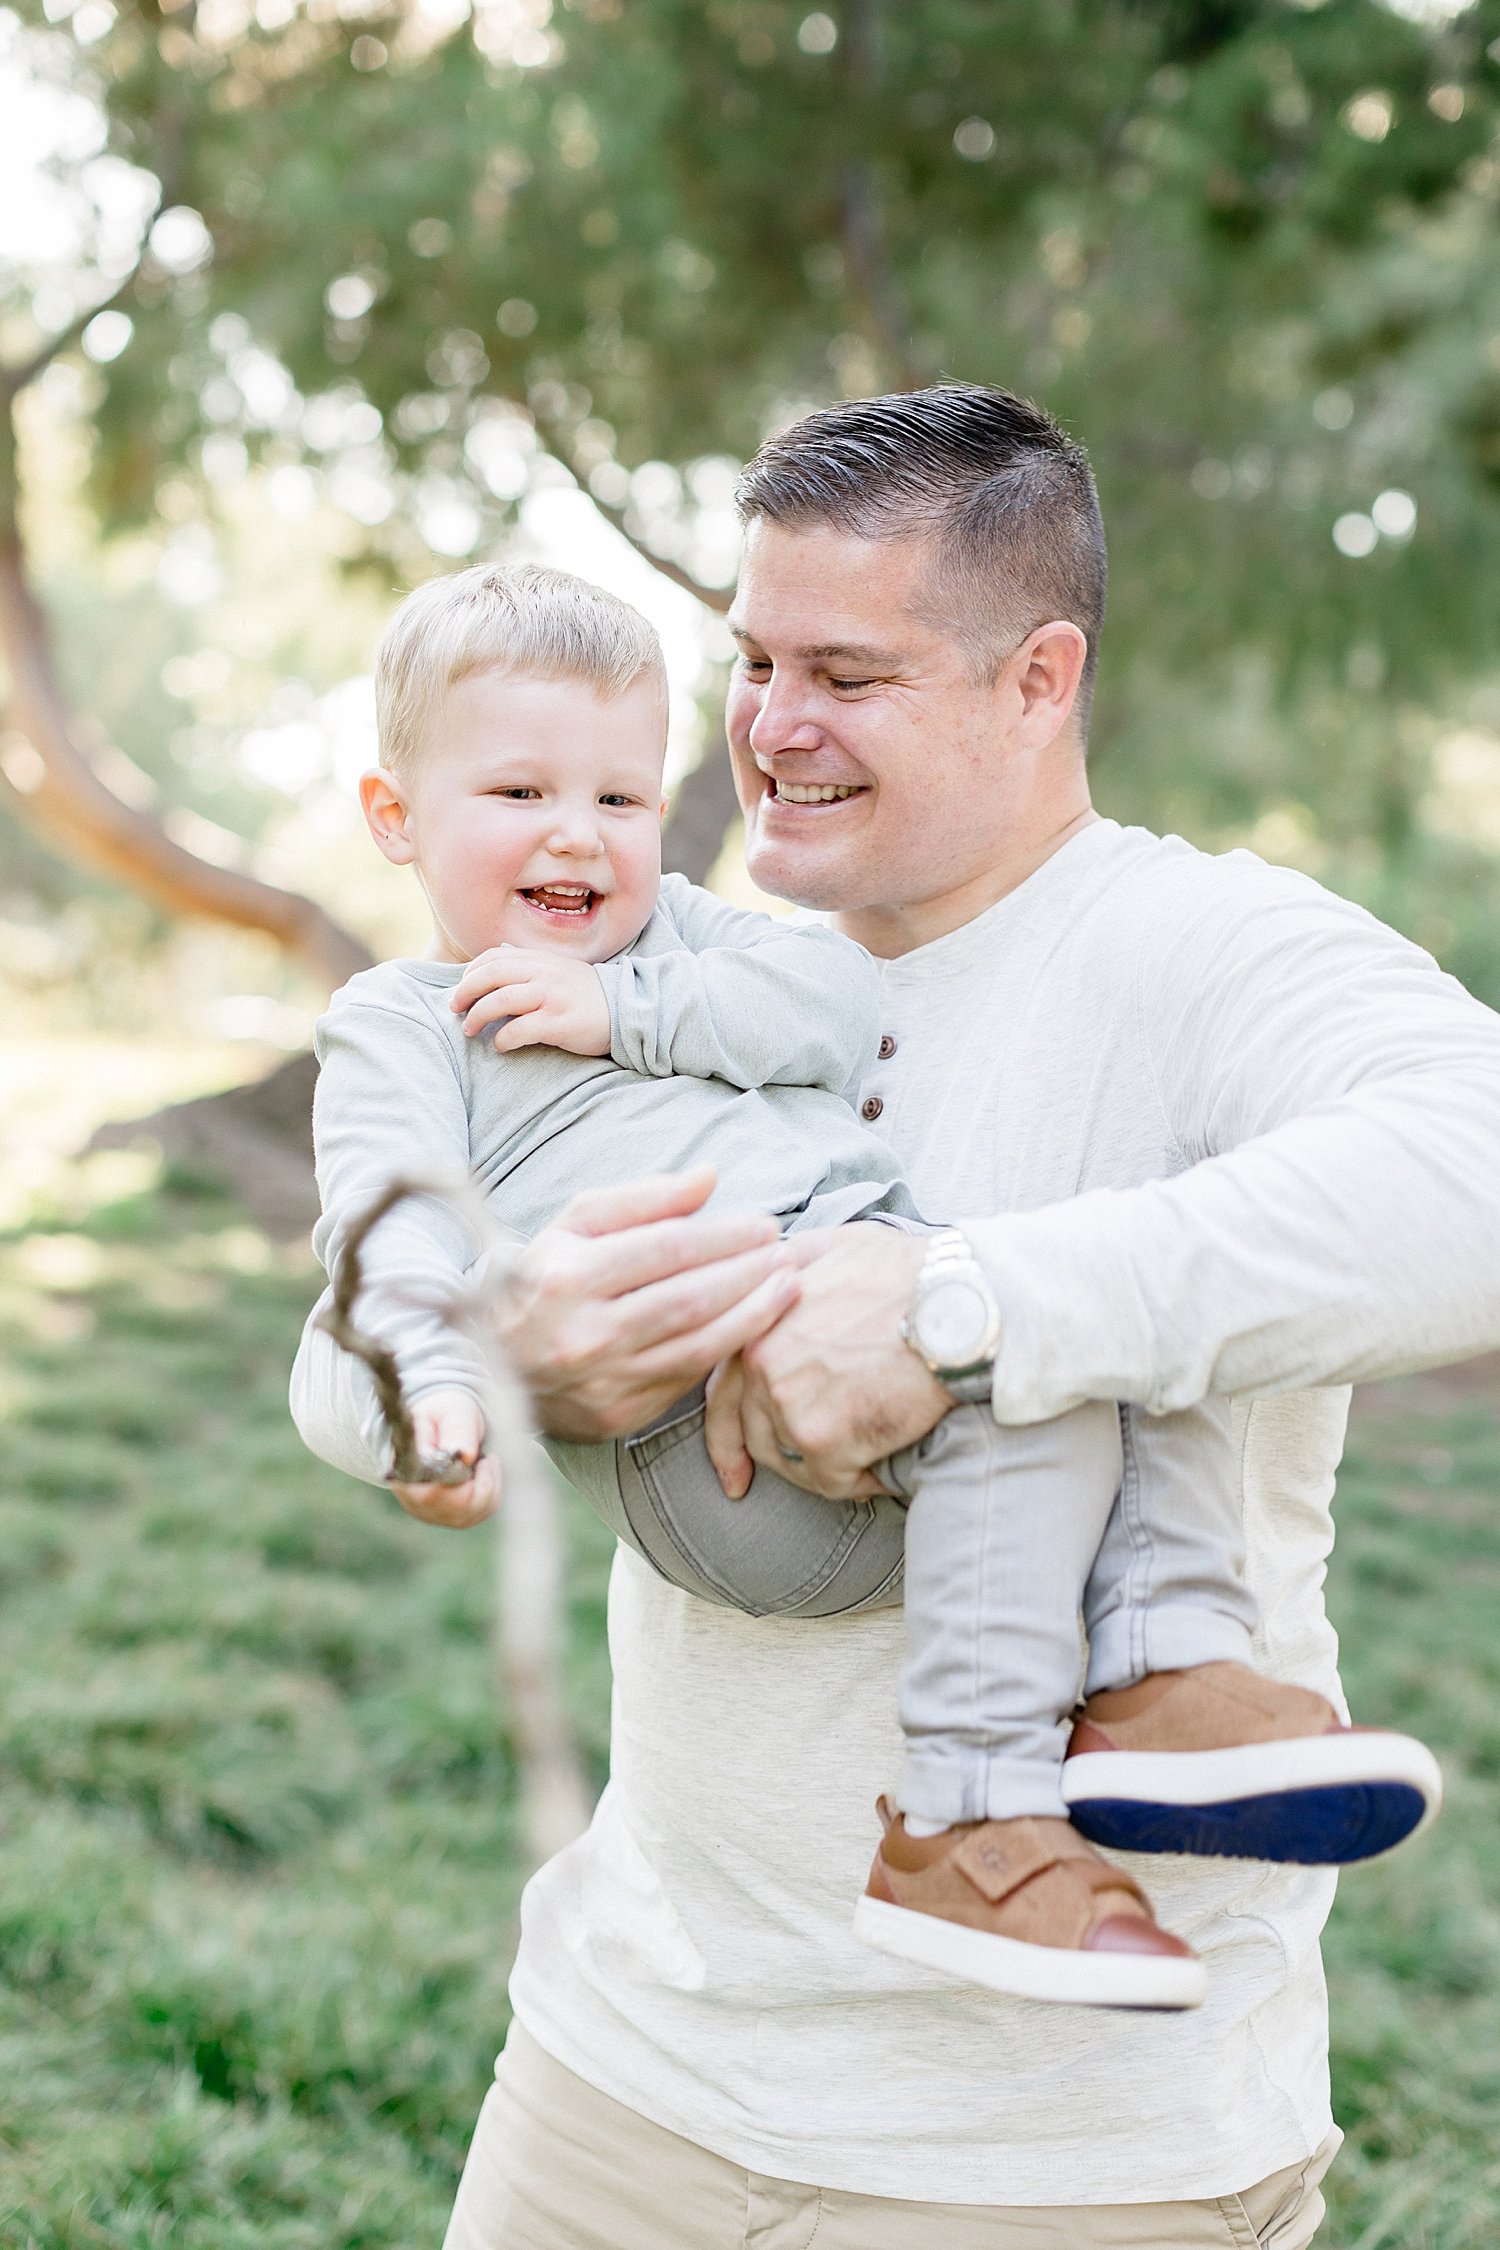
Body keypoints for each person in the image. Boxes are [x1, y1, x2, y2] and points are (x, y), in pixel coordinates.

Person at [292, 387, 1500, 2247]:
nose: (771, 728)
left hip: (1055, 2157)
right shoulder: (674, 953)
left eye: (845, 672)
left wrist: (949, 1302)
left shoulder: (1209, 953)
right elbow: (344, 1332)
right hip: (624, 2068)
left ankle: (1140, 1713)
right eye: (753, 659)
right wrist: (504, 1364)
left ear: (1040, 678)